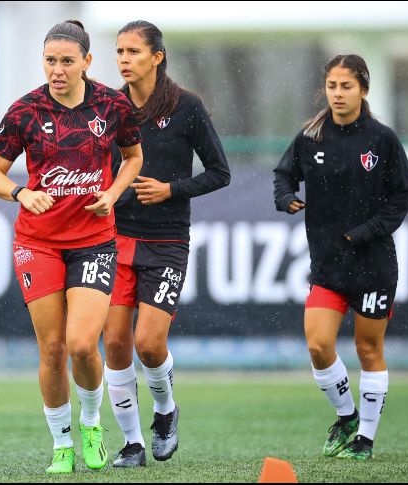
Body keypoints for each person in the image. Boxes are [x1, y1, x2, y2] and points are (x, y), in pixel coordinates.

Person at [0, 20, 143, 474]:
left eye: (67, 61)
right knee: (51, 349)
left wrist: (112, 194)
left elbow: (134, 158)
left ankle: (92, 424)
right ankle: (61, 443)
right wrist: (20, 193)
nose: (57, 70)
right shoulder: (24, 112)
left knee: (80, 345)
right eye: (50, 61)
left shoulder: (113, 105)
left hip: (94, 242)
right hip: (38, 243)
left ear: (87, 63)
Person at [102, 20, 231, 467]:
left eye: (133, 52)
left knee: (149, 344)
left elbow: (220, 172)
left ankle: (165, 409)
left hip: (167, 241)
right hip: (114, 239)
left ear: (157, 57)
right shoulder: (107, 107)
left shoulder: (187, 107)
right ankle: (133, 443)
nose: (124, 60)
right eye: (119, 52)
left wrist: (172, 190)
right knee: (114, 341)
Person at [273, 54, 408, 460]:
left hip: (373, 265)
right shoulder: (310, 136)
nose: (338, 93)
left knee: (369, 351)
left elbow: (403, 196)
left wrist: (367, 231)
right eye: (332, 86)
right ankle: (347, 415)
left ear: (363, 90)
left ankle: (365, 440)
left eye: (346, 86)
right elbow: (283, 174)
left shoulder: (382, 139)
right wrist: (285, 198)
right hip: (328, 265)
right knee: (318, 344)